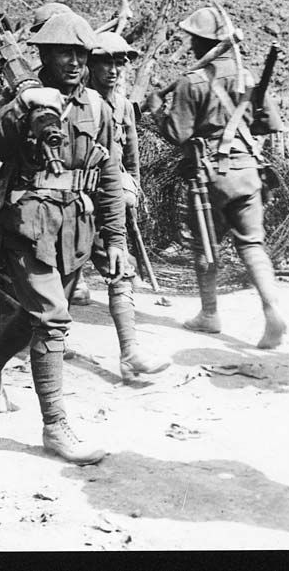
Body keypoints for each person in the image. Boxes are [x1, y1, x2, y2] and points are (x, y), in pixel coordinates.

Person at [0, 12, 126, 465]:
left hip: (75, 228)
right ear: (44, 56)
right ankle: (56, 426)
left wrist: (115, 238)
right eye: (63, 53)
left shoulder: (97, 106)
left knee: (36, 317)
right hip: (27, 225)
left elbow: (109, 173)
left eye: (80, 54)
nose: (73, 62)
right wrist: (23, 107)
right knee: (52, 319)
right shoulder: (23, 97)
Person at [145, 6, 287, 349]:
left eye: (193, 38)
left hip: (211, 178)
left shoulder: (190, 82)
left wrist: (154, 110)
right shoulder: (248, 76)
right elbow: (268, 123)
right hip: (249, 171)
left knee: (204, 245)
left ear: (200, 42)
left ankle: (209, 315)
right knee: (252, 244)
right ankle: (272, 308)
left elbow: (178, 134)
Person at [72, 32, 171, 381]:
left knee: (120, 269)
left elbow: (130, 157)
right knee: (60, 277)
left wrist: (134, 188)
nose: (113, 70)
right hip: (74, 200)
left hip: (109, 202)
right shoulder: (78, 101)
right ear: (91, 65)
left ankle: (129, 352)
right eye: (105, 62)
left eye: (119, 63)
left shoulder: (126, 106)